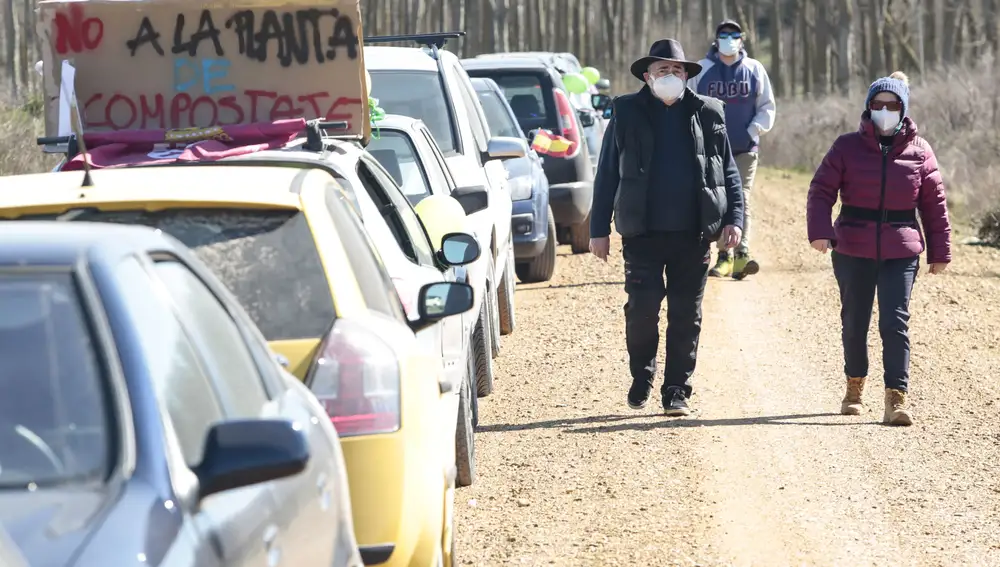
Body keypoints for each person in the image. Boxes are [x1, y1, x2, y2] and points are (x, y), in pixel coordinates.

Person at [589, 39, 745, 416]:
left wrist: (735, 218)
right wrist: (598, 228)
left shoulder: (708, 112)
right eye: (663, 70)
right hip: (641, 233)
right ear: (647, 76)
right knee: (642, 311)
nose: (670, 76)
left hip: (692, 235)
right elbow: (607, 171)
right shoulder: (625, 112)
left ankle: (676, 389)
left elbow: (728, 171)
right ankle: (642, 376)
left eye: (677, 70)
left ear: (687, 76)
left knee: (685, 315)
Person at [806, 71, 951, 426]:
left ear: (904, 109)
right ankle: (854, 386)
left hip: (901, 248)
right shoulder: (846, 146)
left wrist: (939, 251)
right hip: (853, 245)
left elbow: (934, 204)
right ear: (868, 108)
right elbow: (821, 191)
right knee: (855, 319)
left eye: (892, 105)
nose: (885, 110)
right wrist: (820, 231)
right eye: (878, 105)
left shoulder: (920, 151)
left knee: (894, 321)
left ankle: (895, 397)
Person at [689, 19, 776, 280]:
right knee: (718, 199)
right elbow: (689, 105)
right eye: (723, 34)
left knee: (742, 199)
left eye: (734, 34)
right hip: (710, 151)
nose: (729, 38)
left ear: (742, 38)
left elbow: (767, 106)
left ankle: (741, 255)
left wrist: (752, 130)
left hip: (744, 148)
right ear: (716, 39)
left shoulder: (754, 69)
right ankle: (723, 256)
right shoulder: (702, 70)